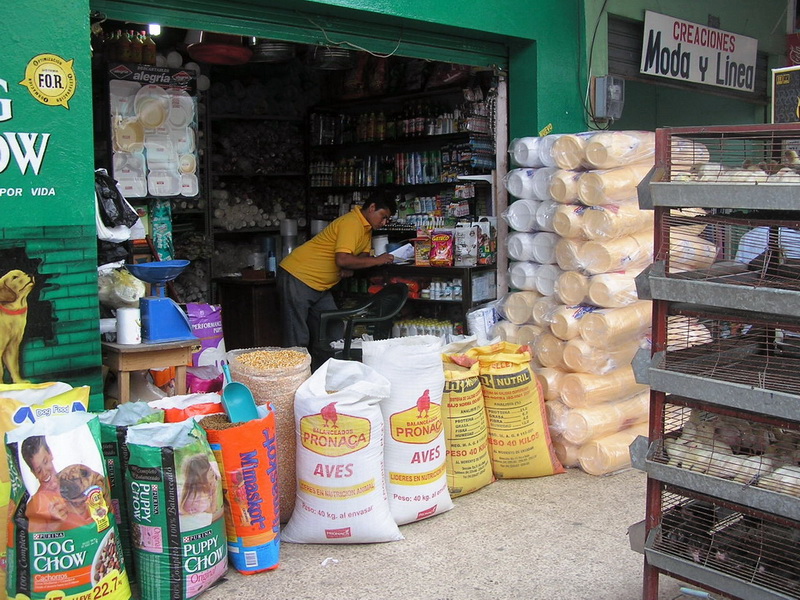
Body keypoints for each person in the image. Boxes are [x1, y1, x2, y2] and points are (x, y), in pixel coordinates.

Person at [277, 194, 397, 356]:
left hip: (320, 285)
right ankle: (295, 371)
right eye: (383, 217)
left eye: (387, 219)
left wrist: (352, 264)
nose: (384, 223)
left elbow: (361, 255)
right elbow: (342, 259)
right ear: (372, 208)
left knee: (333, 328)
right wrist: (376, 260)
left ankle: (326, 368)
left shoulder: (366, 229)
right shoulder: (351, 223)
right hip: (299, 276)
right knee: (297, 335)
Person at [20, 435, 91, 532]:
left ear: (50, 453)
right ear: (33, 473)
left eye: (45, 462)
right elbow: (35, 539)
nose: (45, 473)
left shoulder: (74, 477)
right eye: (39, 470)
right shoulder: (36, 503)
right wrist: (54, 524)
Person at [179, 453, 221, 519]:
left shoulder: (197, 487)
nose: (214, 480)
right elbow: (212, 510)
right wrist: (214, 492)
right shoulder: (198, 500)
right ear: (201, 478)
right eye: (212, 476)